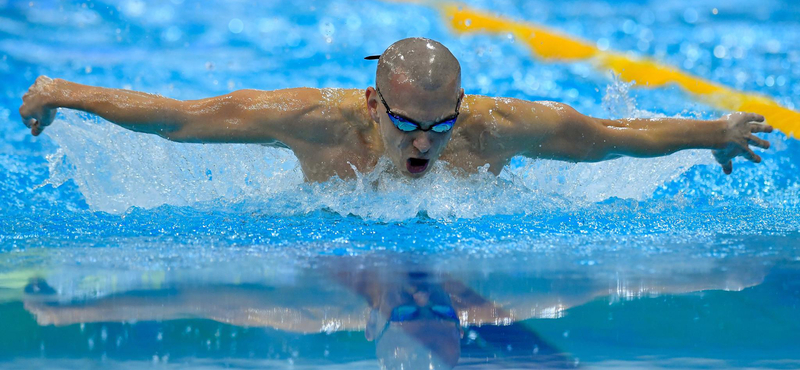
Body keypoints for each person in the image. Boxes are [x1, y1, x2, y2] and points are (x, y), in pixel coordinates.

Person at [19, 37, 773, 182]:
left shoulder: (495, 131)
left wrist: (713, 132)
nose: (426, 146)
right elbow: (179, 119)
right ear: (374, 102)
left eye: (441, 125)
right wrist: (62, 93)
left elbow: (607, 139)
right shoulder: (315, 122)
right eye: (406, 125)